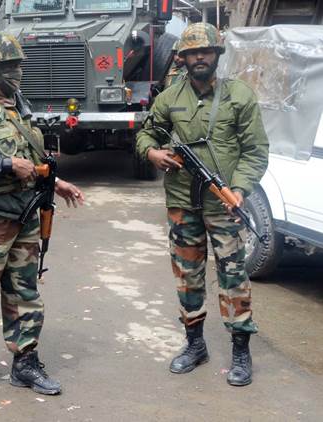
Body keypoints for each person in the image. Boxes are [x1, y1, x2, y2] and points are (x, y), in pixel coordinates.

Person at [0, 30, 85, 400]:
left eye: (19, 65)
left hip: (25, 217)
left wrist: (57, 183)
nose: (18, 72)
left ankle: (25, 363)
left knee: (24, 294)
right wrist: (6, 164)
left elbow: (32, 158)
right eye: (12, 66)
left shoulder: (16, 104)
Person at [136, 23, 269, 386]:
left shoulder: (239, 95)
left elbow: (256, 151)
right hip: (182, 203)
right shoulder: (168, 98)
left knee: (233, 276)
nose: (199, 57)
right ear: (182, 57)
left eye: (205, 51)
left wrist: (240, 189)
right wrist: (151, 152)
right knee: (187, 277)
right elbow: (146, 131)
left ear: (216, 55)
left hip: (223, 204)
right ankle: (195, 345)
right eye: (192, 52)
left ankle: (241, 351)